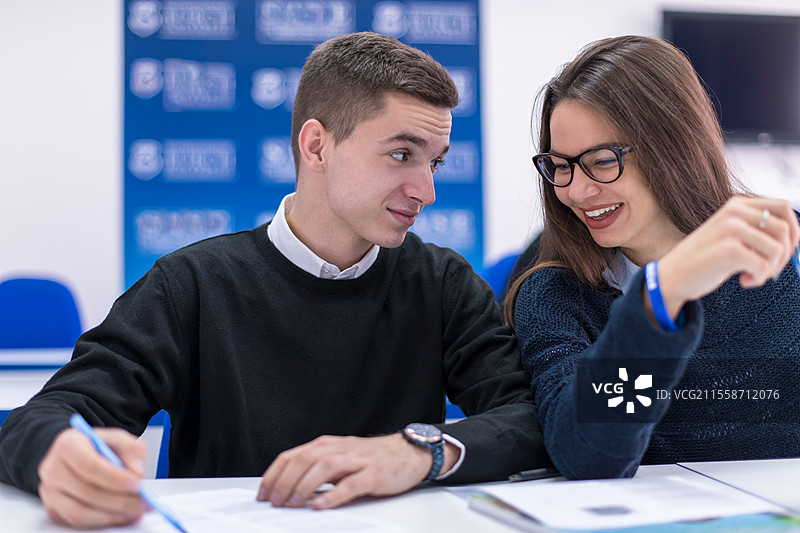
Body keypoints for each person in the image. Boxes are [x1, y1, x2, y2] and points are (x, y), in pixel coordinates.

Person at [0, 32, 549, 528]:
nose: (426, 191)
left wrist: (417, 451)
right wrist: (55, 453)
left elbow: (527, 419)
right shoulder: (191, 283)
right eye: (401, 154)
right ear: (317, 146)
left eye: (436, 162)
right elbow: (47, 416)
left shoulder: (444, 283)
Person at [505, 35, 800, 480]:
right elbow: (586, 454)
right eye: (559, 165)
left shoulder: (786, 249)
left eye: (602, 161)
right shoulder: (554, 295)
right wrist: (660, 297)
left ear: (674, 144)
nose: (575, 191)